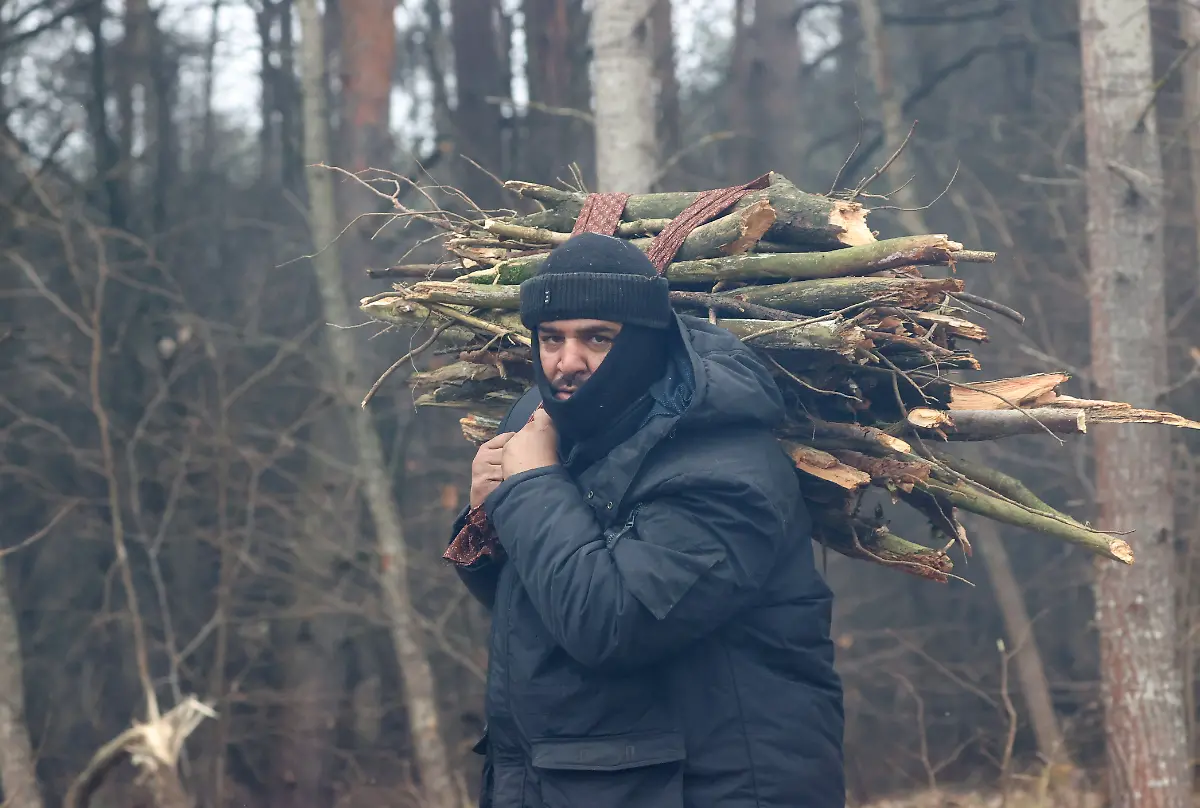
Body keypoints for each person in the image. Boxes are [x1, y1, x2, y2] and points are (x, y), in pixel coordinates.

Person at [444, 232, 845, 808]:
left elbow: (611, 623)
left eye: (597, 338)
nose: (567, 362)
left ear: (644, 343)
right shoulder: (571, 435)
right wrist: (488, 521)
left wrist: (530, 487)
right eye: (550, 339)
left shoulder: (725, 470)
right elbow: (541, 610)